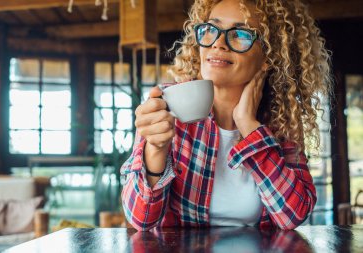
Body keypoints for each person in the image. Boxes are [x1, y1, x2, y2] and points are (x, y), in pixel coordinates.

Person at [121, 0, 332, 231]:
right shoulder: (168, 104)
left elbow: (294, 215)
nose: (218, 43)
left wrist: (248, 126)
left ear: (267, 58)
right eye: (211, 30)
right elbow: (141, 220)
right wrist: (156, 150)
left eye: (240, 33)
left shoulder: (281, 122)